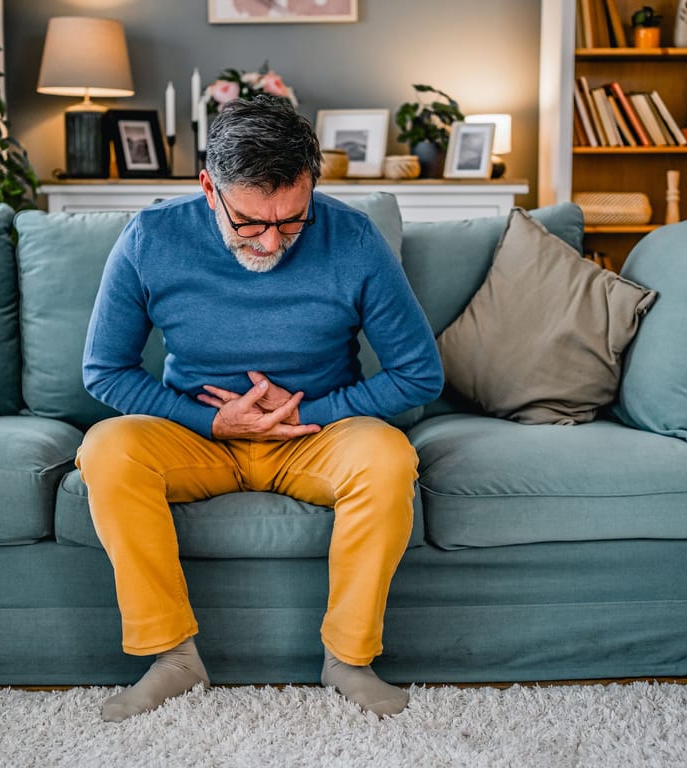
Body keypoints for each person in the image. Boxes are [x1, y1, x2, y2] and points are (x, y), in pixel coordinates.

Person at [76, 95, 443, 722]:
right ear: (208, 188)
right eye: (250, 222)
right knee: (107, 449)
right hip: (197, 438)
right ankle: (173, 659)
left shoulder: (353, 237)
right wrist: (212, 420)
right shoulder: (152, 238)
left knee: (387, 456)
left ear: (311, 188)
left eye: (292, 220)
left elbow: (419, 373)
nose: (272, 241)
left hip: (315, 436)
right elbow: (103, 372)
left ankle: (348, 660)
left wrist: (314, 413)